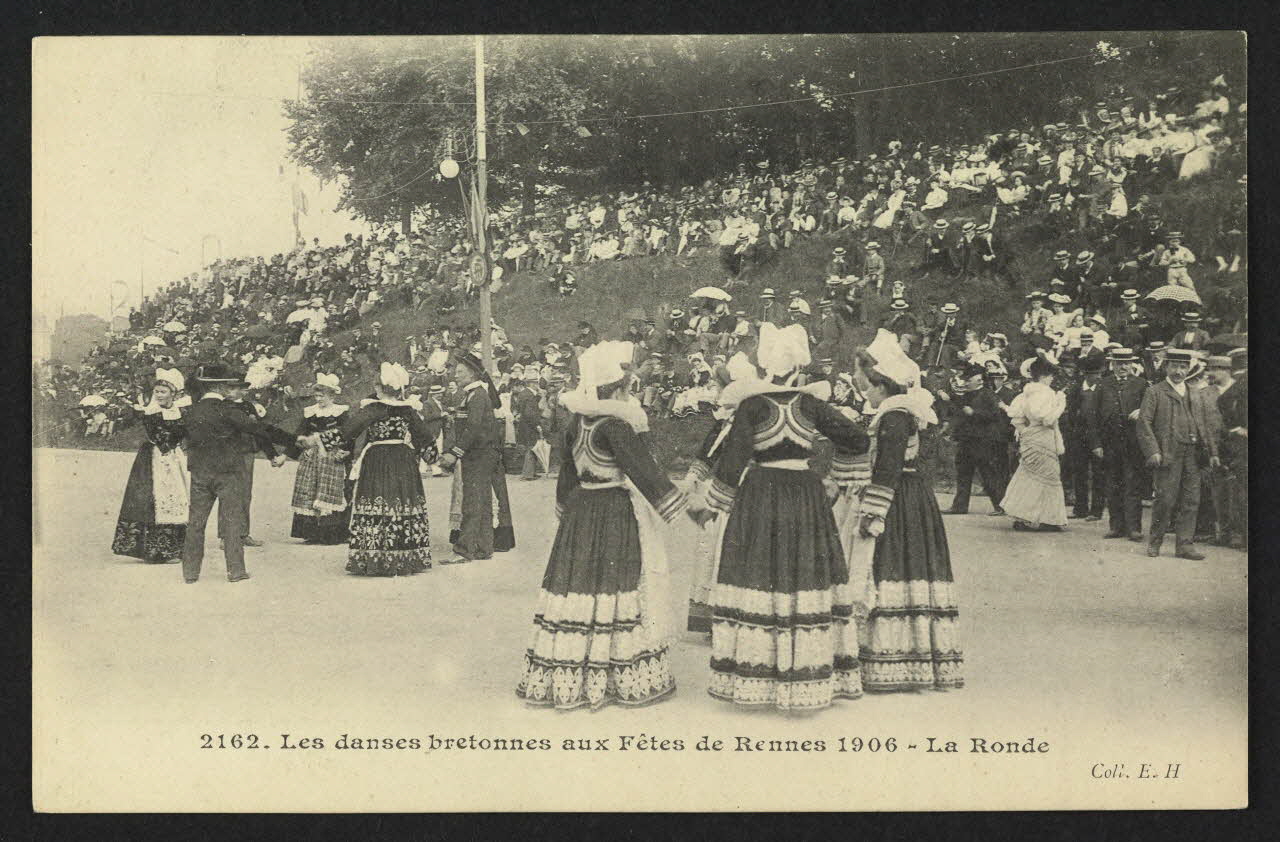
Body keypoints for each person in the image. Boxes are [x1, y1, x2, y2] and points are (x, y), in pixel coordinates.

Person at [686, 322, 869, 710]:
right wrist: (835, 474)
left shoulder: (752, 404)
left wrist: (711, 504)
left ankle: (762, 669)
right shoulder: (810, 403)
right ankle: (804, 666)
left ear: (766, 366)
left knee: (760, 571)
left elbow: (733, 462)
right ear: (796, 367)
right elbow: (857, 438)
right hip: (804, 492)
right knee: (802, 574)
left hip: (761, 492)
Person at [515, 341, 688, 710]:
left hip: (581, 511)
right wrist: (678, 505)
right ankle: (610, 673)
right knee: (614, 586)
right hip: (612, 509)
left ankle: (572, 672)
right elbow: (644, 470)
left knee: (578, 587)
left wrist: (564, 509)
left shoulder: (578, 420)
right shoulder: (617, 424)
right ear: (620, 388)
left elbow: (567, 474)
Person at [852, 328, 963, 691]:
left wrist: (873, 512)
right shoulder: (900, 411)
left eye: (870, 384)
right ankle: (907, 656)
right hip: (910, 495)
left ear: (883, 386)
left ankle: (895, 659)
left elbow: (888, 467)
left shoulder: (895, 415)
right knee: (908, 572)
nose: (866, 390)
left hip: (899, 499)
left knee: (891, 570)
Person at [181, 364, 288, 584]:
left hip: (200, 472)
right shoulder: (229, 410)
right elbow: (260, 430)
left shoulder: (191, 411)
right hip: (228, 472)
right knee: (231, 521)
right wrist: (296, 441)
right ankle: (235, 570)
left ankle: (190, 573)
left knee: (195, 523)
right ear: (220, 387)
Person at [339, 363, 443, 576]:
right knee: (400, 503)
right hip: (403, 460)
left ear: (380, 387)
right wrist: (433, 458)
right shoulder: (408, 410)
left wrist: (320, 441)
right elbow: (425, 438)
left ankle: (376, 558)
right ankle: (405, 557)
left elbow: (348, 430)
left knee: (378, 503)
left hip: (378, 460)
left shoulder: (374, 409)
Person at [1136, 348, 1220, 559]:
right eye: (1174, 366)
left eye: (1183, 367)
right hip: (1168, 453)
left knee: (1191, 500)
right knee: (1165, 499)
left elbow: (1205, 425)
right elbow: (1143, 423)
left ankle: (1185, 546)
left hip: (1193, 454)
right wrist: (1153, 451)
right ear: (1166, 367)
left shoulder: (1194, 392)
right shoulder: (1155, 391)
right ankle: (1155, 543)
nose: (1178, 371)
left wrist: (1212, 452)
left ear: (1188, 369)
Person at [111, 368, 191, 563]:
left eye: (163, 392)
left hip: (174, 457)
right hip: (154, 456)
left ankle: (175, 548)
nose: (159, 395)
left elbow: (184, 433)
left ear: (173, 393)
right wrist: (175, 439)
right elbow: (161, 438)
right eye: (157, 392)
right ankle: (154, 551)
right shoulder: (151, 413)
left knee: (177, 498)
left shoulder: (180, 411)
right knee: (153, 499)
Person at [439, 352, 503, 563]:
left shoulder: (476, 395)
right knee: (483, 501)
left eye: (459, 372)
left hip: (478, 456)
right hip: (482, 455)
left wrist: (455, 453)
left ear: (473, 374)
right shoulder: (473, 394)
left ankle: (464, 550)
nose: (455, 376)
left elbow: (473, 428)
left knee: (472, 501)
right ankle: (484, 547)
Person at [1000, 356, 1068, 532]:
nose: (1052, 379)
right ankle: (1047, 519)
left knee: (1029, 474)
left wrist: (1027, 434)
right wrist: (1061, 404)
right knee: (1049, 475)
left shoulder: (1026, 393)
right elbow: (1047, 419)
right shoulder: (1046, 393)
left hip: (1031, 437)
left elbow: (1016, 418)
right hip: (1043, 436)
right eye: (1051, 375)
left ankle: (1024, 516)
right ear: (1044, 376)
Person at [289, 372, 352, 545]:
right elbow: (300, 432)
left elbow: (348, 434)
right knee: (310, 489)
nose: (318, 399)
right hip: (312, 456)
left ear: (331, 395)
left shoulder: (340, 412)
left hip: (332, 455)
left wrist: (345, 452)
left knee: (331, 490)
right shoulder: (310, 412)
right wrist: (302, 442)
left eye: (322, 395)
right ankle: (312, 533)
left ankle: (332, 534)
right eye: (316, 395)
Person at [943, 363, 1008, 515]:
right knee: (963, 473)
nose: (965, 382)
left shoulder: (988, 394)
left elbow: (995, 415)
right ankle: (960, 506)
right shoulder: (966, 395)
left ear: (979, 379)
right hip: (967, 441)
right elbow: (959, 414)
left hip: (983, 441)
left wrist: (974, 413)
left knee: (988, 474)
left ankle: (1000, 506)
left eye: (968, 379)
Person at [1214, 348, 1247, 550]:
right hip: (1243, 443)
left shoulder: (1240, 383)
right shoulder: (1244, 382)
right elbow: (1224, 400)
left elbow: (1223, 400)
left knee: (1243, 491)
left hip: (1241, 442)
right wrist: (1237, 428)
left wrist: (1235, 428)